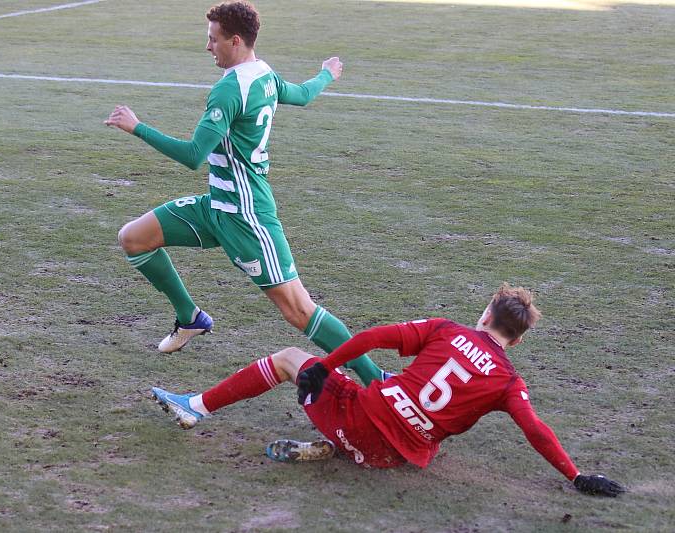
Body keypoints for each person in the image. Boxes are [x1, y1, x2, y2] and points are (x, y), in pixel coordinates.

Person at [104, 1, 383, 384]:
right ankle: (190, 318)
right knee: (133, 238)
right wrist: (326, 74)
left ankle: (376, 379)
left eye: (213, 39)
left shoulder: (229, 90)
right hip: (216, 206)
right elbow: (301, 94)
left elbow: (193, 156)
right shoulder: (263, 74)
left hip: (246, 215)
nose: (208, 47)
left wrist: (137, 127)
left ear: (235, 41)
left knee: (299, 311)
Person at [151, 284, 625, 496]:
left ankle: (194, 406)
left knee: (290, 359)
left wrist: (327, 366)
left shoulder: (445, 329)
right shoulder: (509, 381)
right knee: (387, 395)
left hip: (361, 420)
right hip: (395, 456)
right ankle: (334, 448)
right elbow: (535, 429)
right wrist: (574, 475)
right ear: (517, 340)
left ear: (484, 315)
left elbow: (374, 337)